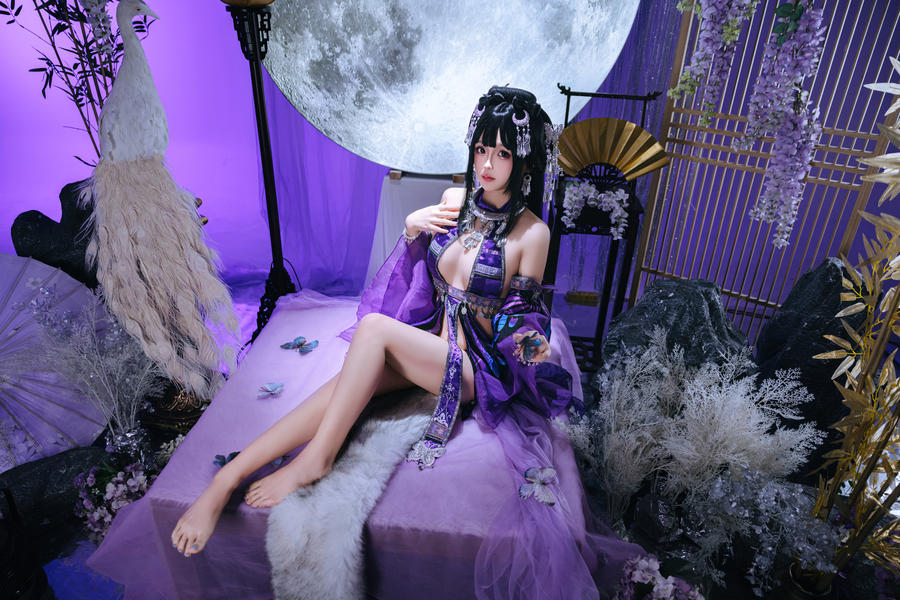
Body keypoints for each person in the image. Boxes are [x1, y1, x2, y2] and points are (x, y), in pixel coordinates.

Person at [172, 86, 636, 598]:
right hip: (429, 348)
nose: (487, 164)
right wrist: (413, 228)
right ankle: (225, 480)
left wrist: (533, 347)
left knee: (373, 332)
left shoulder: (532, 234)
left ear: (524, 159)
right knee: (341, 389)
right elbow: (419, 283)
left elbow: (518, 321)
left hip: (472, 370)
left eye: (503, 153)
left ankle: (315, 460)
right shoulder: (455, 203)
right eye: (482, 148)